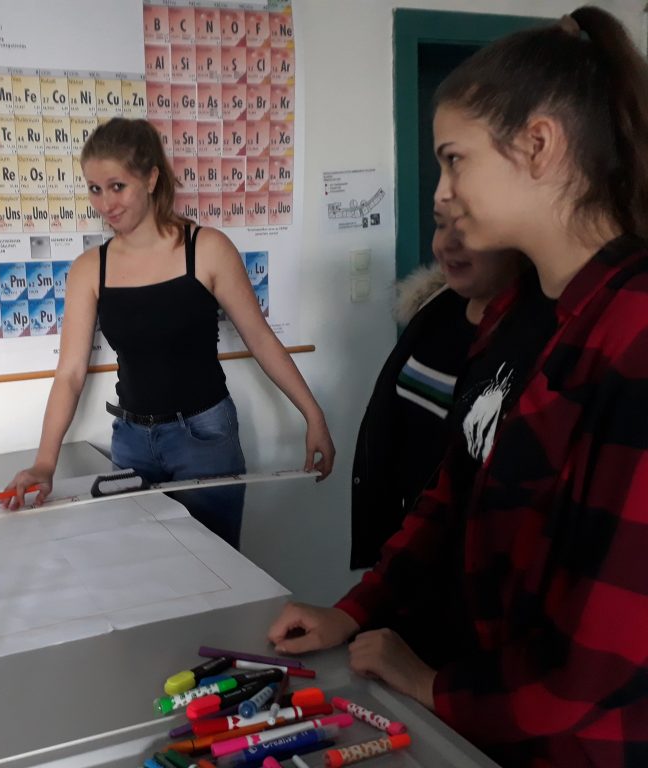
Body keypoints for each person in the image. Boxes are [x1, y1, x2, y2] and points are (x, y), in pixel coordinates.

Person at [269, 8, 648, 766]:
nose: (441, 194)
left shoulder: (632, 330)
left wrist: (435, 687)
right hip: (494, 717)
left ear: (538, 145)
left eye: (455, 161)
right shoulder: (525, 310)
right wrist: (358, 610)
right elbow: (456, 493)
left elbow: (602, 655)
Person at [1, 117, 335, 549]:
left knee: (216, 567)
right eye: (95, 189)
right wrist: (45, 463)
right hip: (130, 443)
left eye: (117, 186)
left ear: (151, 178)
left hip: (204, 438)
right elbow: (69, 374)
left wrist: (313, 416)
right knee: (144, 569)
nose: (105, 203)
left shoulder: (207, 248)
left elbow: (261, 339)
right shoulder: (89, 269)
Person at [351, 206, 526, 571]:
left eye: (468, 229)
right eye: (441, 225)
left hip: (474, 565)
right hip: (412, 549)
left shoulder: (537, 335)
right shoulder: (435, 310)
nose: (446, 244)